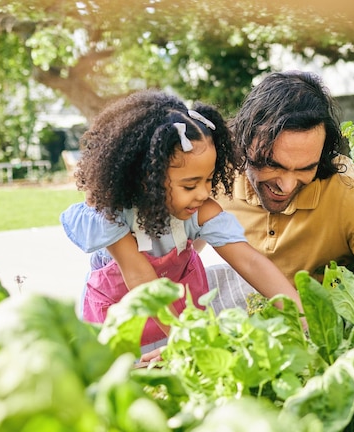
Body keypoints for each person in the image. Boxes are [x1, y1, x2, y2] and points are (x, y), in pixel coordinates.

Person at [60, 89, 303, 348]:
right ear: (147, 181)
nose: (203, 193)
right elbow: (141, 278)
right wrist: (183, 342)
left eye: (209, 179)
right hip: (124, 318)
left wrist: (300, 314)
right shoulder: (113, 216)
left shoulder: (202, 210)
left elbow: (251, 262)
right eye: (189, 186)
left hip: (178, 315)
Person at [213, 70, 354, 321]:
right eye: (272, 164)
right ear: (244, 140)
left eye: (305, 169)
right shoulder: (215, 177)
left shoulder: (352, 193)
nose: (286, 186)